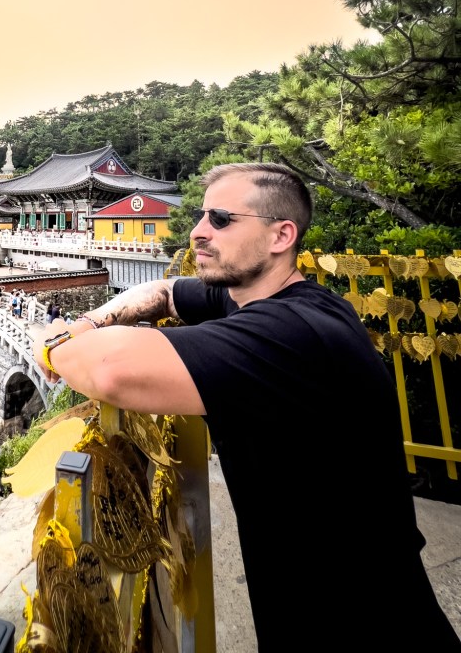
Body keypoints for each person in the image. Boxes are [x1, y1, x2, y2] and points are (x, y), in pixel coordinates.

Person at [34, 163, 461, 652]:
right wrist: (89, 321)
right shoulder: (262, 299)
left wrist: (54, 341)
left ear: (281, 236)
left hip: (360, 618)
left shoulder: (290, 334)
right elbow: (165, 292)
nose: (198, 231)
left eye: (221, 219)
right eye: (201, 216)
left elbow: (109, 370)